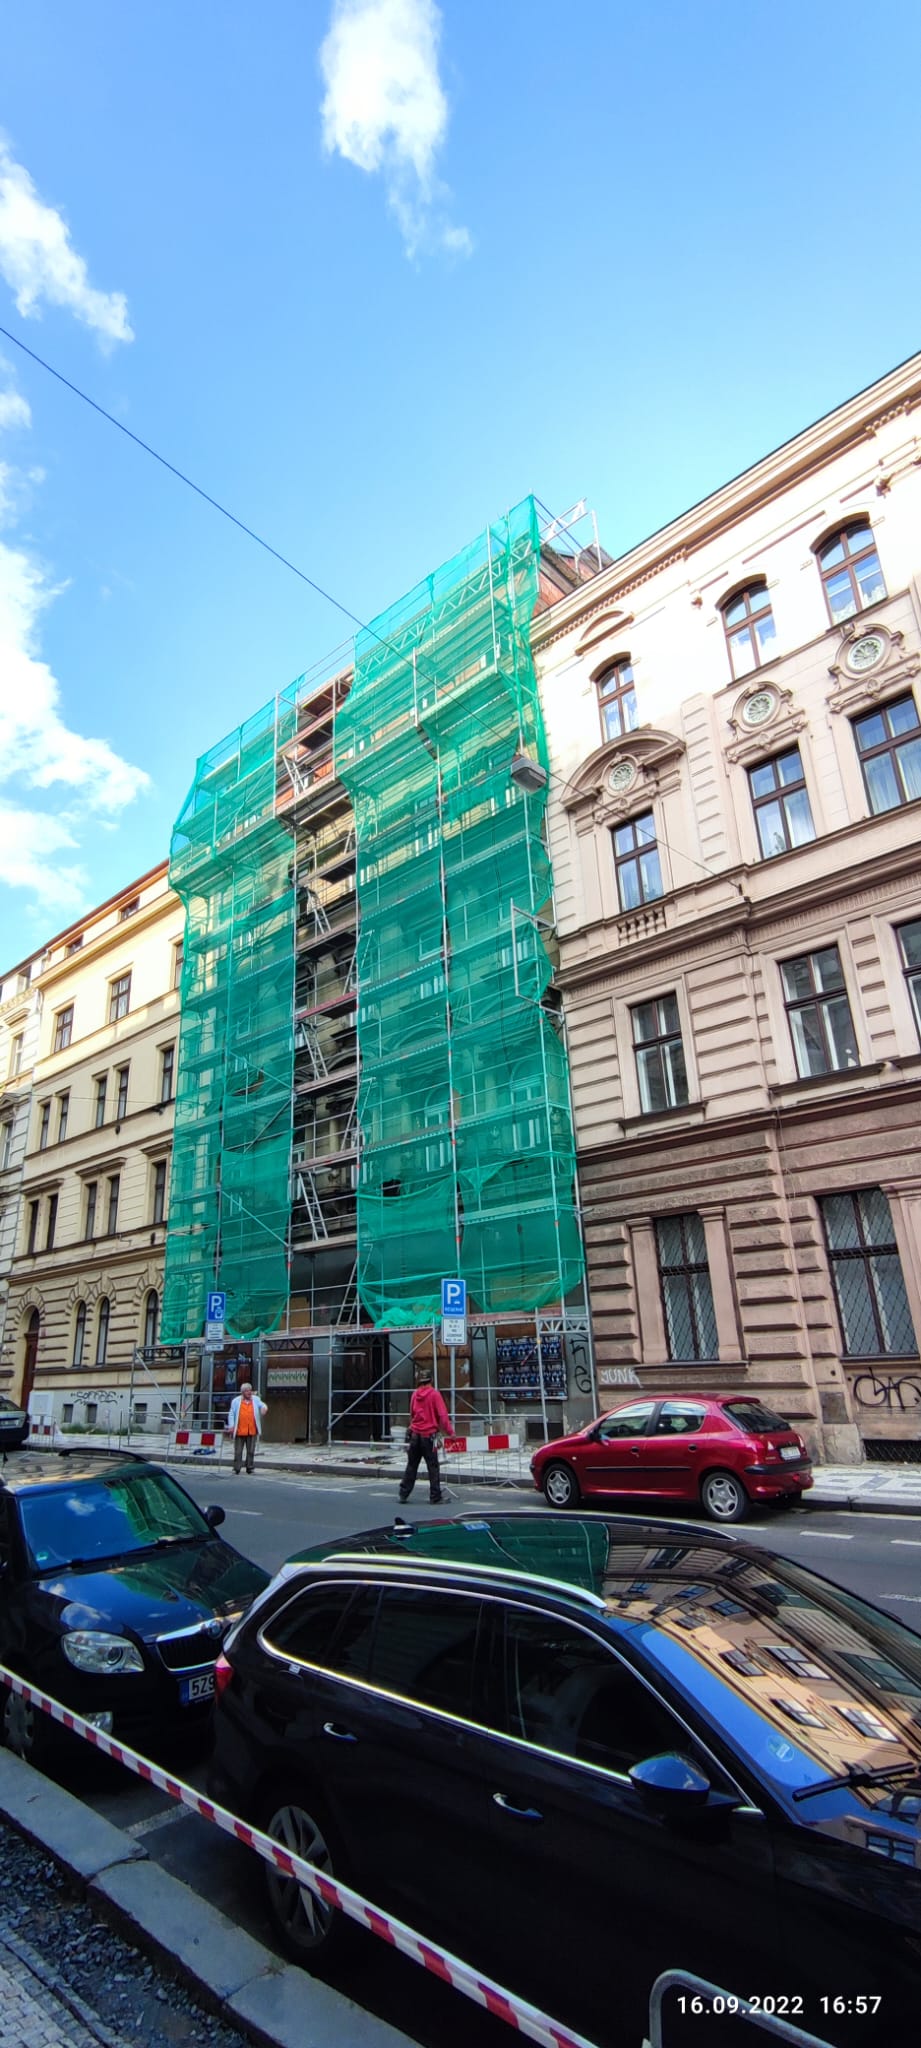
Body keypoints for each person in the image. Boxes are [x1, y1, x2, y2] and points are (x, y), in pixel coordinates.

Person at [399, 1368, 452, 1505]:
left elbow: (411, 1414)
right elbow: (443, 1416)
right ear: (431, 1380)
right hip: (429, 1436)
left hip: (415, 1435)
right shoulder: (434, 1394)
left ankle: (403, 1493)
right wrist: (451, 1432)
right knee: (433, 1467)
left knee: (412, 1465)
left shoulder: (415, 1394)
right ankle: (435, 1496)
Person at [226, 1381, 267, 1473]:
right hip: (240, 1430)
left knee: (251, 1451)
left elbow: (262, 1405)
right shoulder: (236, 1401)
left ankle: (250, 1467)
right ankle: (236, 1468)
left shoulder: (256, 1399)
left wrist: (264, 1408)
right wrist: (231, 1426)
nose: (249, 1392)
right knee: (238, 1451)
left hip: (252, 1430)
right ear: (242, 1392)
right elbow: (231, 1414)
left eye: (250, 1390)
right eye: (247, 1391)